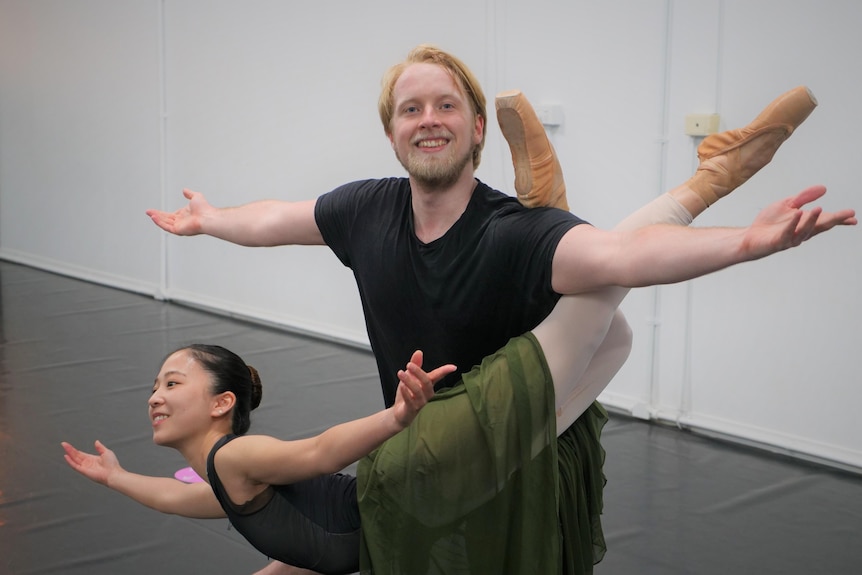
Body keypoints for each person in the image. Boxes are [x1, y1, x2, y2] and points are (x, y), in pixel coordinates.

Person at [146, 44, 855, 574]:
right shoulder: (367, 209)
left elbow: (623, 261)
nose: (428, 120)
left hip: (487, 422)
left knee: (603, 298)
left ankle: (692, 180)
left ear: (477, 128)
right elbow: (277, 219)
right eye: (411, 108)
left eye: (446, 105)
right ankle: (650, 183)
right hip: (442, 442)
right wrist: (212, 220)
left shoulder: (508, 231)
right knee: (616, 339)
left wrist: (750, 245)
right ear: (391, 133)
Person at [62, 344, 452, 575]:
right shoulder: (227, 481)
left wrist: (396, 417)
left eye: (172, 383)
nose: (154, 397)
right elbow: (173, 497)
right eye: (154, 387)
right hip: (406, 533)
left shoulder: (234, 457)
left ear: (222, 403)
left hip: (427, 516)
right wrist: (115, 476)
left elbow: (320, 453)